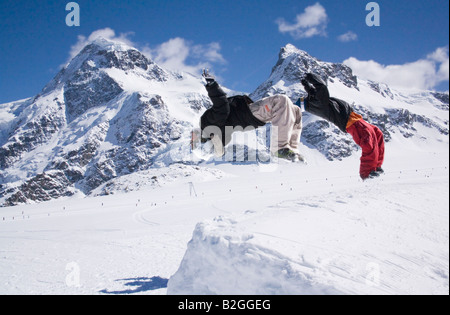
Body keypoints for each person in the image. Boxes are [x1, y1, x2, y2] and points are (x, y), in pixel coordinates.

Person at [198, 70, 304, 162]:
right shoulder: (207, 122)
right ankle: (279, 148)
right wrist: (211, 86)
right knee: (281, 100)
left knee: (296, 111)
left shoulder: (215, 133)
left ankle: (292, 153)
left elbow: (220, 149)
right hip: (248, 113)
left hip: (249, 119)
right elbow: (222, 106)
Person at [299, 73, 385, 180]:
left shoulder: (315, 103)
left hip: (355, 119)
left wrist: (306, 84)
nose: (306, 96)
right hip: (351, 123)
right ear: (307, 102)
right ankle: (367, 173)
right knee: (368, 141)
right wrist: (309, 76)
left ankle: (376, 166)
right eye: (305, 98)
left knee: (378, 134)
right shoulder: (319, 104)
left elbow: (313, 92)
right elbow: (322, 86)